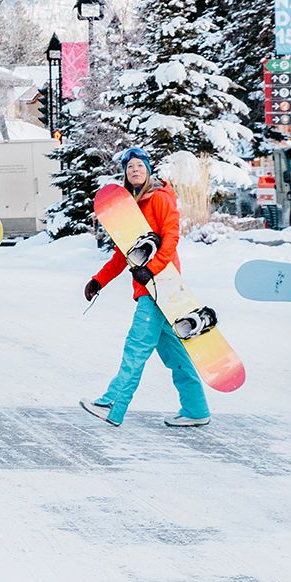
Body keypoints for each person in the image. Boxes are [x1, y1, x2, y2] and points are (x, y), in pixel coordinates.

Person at [78, 148, 210, 429]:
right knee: (175, 354)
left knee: (135, 348)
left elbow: (171, 238)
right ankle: (196, 408)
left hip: (160, 285)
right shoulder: (130, 208)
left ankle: (114, 404)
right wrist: (99, 280)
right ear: (125, 175)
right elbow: (121, 253)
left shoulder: (160, 198)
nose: (135, 170)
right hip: (154, 288)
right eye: (130, 167)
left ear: (149, 170)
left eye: (140, 165)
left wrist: (151, 269)